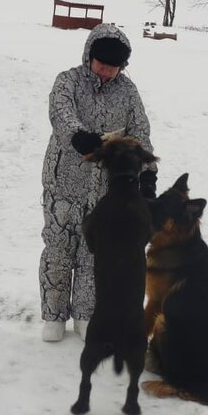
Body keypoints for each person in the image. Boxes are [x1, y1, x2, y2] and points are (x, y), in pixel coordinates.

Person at [39, 22, 157, 342]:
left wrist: (148, 177)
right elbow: (61, 114)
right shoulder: (68, 81)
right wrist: (79, 137)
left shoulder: (128, 93)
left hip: (105, 191)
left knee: (93, 255)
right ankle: (53, 316)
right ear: (89, 56)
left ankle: (85, 315)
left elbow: (140, 134)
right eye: (102, 64)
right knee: (59, 249)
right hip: (63, 186)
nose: (106, 71)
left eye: (113, 67)